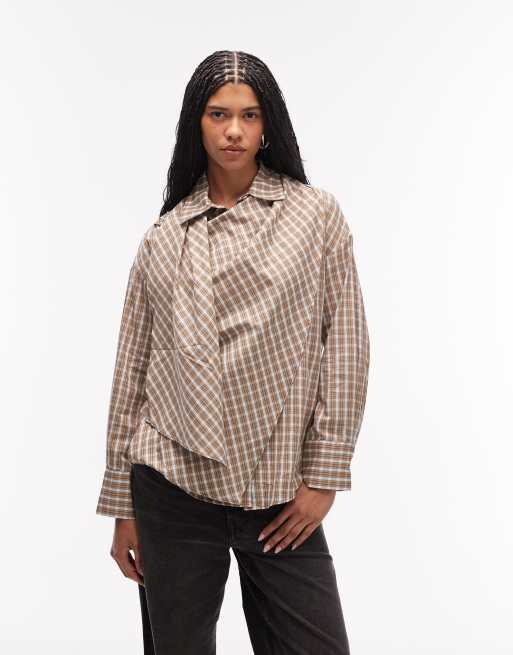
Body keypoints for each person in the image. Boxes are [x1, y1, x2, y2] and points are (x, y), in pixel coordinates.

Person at [96, 50, 370, 655]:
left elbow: (346, 344)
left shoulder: (314, 215)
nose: (234, 131)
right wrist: (122, 505)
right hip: (171, 484)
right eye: (218, 114)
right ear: (196, 123)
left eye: (249, 115)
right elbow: (132, 371)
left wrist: (324, 477)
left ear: (268, 123)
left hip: (278, 487)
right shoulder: (164, 238)